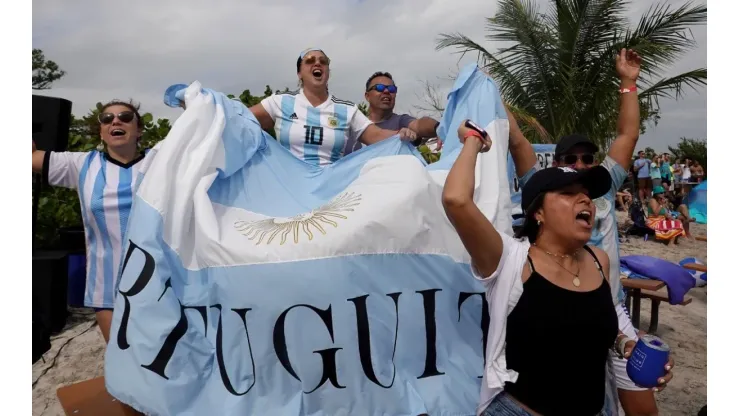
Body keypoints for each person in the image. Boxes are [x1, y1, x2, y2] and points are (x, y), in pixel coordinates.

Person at [442, 120, 671, 415]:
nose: (585, 199)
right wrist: (473, 139)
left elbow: (585, 325)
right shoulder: (509, 259)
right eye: (567, 193)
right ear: (538, 211)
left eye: (587, 193)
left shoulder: (598, 261)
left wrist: (625, 344)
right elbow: (456, 200)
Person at [546, 49, 674, 416]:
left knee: (642, 399)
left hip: (610, 305)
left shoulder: (603, 185)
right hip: (563, 307)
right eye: (571, 160)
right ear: (556, 164)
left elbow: (628, 133)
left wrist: (629, 83)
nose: (581, 165)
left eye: (588, 158)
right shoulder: (544, 192)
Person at [31, 100, 155, 343]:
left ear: (139, 129)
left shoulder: (161, 160)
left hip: (161, 283)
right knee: (123, 365)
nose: (115, 121)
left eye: (125, 116)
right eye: (107, 119)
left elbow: (217, 134)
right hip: (107, 286)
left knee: (165, 366)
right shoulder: (82, 164)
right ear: (101, 131)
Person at [248, 49, 417, 166]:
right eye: (310, 61)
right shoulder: (279, 101)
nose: (317, 64)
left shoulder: (347, 110)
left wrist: (401, 134)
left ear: (328, 72)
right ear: (299, 72)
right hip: (288, 186)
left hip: (331, 189)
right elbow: (241, 121)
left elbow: (376, 136)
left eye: (323, 62)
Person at [363, 71, 439, 147]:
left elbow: (418, 125)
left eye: (391, 89)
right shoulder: (357, 126)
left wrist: (439, 128)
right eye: (380, 87)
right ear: (367, 96)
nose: (386, 91)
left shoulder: (401, 121)